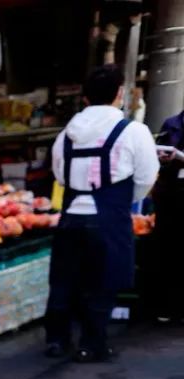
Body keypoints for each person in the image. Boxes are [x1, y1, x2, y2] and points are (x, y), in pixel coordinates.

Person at [45, 65, 159, 362]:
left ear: (84, 98)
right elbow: (147, 176)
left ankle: (56, 340)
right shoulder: (133, 131)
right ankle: (91, 344)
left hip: (70, 216)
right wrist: (123, 201)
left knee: (64, 279)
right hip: (109, 218)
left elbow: (59, 175)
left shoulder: (65, 136)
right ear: (120, 94)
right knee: (102, 281)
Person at [150, 109, 184, 323]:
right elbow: (157, 154)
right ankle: (165, 306)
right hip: (170, 191)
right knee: (167, 247)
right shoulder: (171, 123)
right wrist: (161, 157)